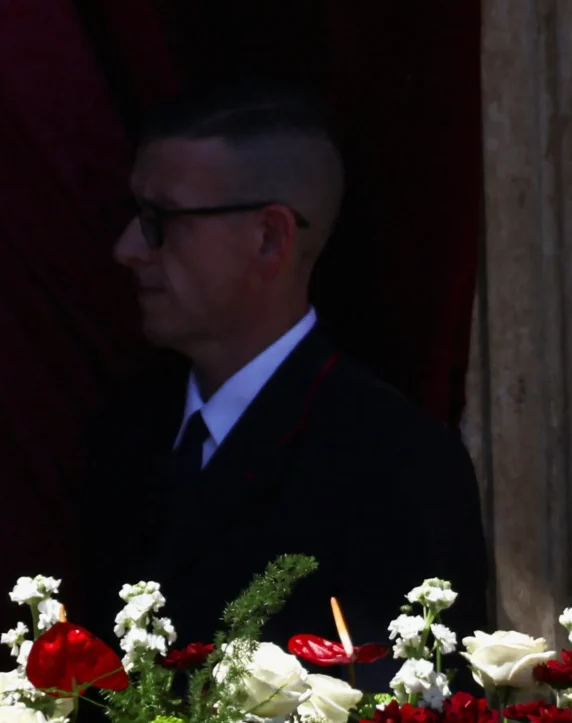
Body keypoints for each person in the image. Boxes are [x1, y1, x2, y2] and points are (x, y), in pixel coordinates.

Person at [78, 85, 490, 655]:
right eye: (133, 214)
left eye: (160, 221)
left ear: (269, 237)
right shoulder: (125, 437)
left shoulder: (391, 460)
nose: (127, 248)